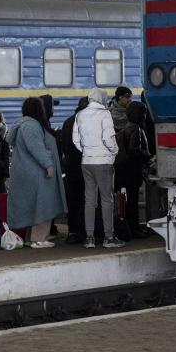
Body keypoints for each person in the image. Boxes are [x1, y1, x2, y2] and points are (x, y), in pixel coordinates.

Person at [7, 98, 66, 248]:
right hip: (38, 173)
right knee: (43, 205)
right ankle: (38, 239)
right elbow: (36, 147)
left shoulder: (23, 124)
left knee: (33, 205)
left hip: (27, 171)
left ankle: (30, 238)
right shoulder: (32, 126)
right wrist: (48, 165)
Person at [73, 89, 123, 250]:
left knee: (90, 200)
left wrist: (87, 151)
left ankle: (89, 238)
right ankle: (109, 237)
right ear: (102, 98)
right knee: (107, 200)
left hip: (86, 161)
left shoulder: (80, 115)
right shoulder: (104, 114)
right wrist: (114, 151)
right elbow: (108, 137)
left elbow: (76, 139)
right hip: (103, 162)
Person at [114, 101, 152, 239]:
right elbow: (134, 150)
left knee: (127, 201)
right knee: (132, 201)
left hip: (124, 170)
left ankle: (129, 228)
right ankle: (134, 229)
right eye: (144, 112)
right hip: (131, 171)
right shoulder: (136, 128)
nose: (145, 115)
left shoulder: (126, 126)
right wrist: (147, 155)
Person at [59, 98, 88, 243]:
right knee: (87, 200)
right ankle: (85, 231)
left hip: (71, 167)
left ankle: (72, 232)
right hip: (87, 167)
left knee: (73, 200)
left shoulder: (68, 122)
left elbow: (64, 145)